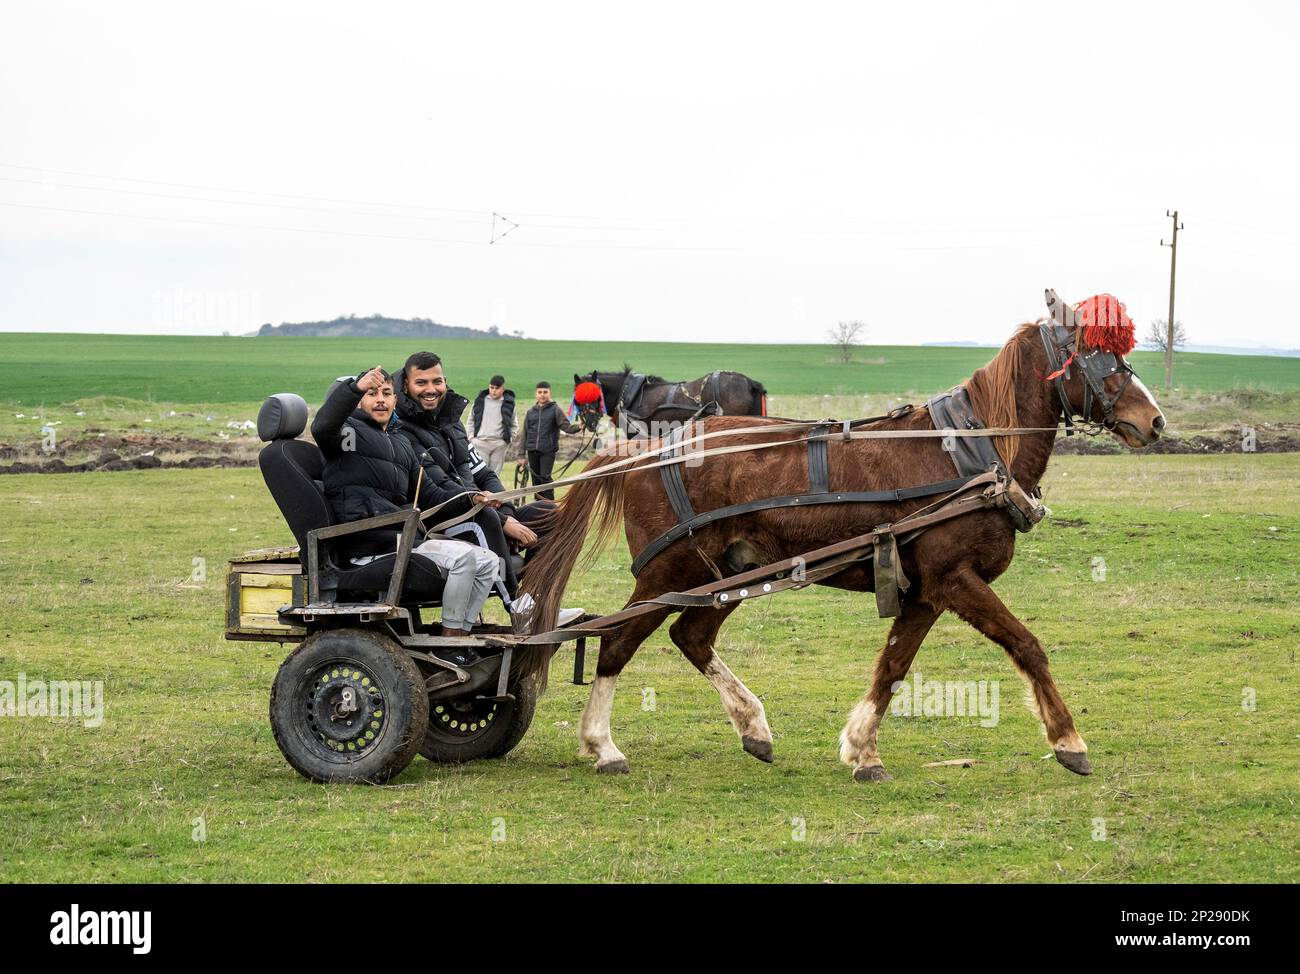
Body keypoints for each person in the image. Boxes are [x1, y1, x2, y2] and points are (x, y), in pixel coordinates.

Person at [391, 352, 581, 629]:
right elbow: (440, 490)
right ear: (406, 386)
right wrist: (502, 521)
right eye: (421, 383)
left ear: (445, 382)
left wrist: (506, 511)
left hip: (479, 509)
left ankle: (539, 601)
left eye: (437, 381)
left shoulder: (451, 423)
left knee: (550, 513)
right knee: (486, 520)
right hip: (439, 520)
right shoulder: (403, 433)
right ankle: (519, 610)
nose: (431, 389)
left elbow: (484, 473)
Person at [312, 366, 500, 639]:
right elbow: (322, 426)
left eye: (387, 393)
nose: (380, 400)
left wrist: (473, 498)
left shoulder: (401, 443)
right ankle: (451, 640)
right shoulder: (347, 434)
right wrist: (354, 388)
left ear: (395, 400)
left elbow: (432, 494)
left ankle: (462, 633)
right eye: (371, 393)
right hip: (369, 542)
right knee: (465, 559)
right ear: (359, 400)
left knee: (488, 561)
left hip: (402, 538)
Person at [517, 381, 580, 501]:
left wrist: (579, 427)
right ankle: (538, 506)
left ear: (550, 393)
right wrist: (521, 454)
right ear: (536, 394)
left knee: (545, 479)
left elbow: (566, 427)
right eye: (540, 392)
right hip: (532, 451)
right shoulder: (531, 412)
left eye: (545, 392)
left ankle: (550, 507)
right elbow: (524, 434)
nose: (542, 395)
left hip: (548, 451)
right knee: (535, 481)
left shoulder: (555, 409)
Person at [470, 375, 515, 476]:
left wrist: (509, 439)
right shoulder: (480, 401)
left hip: (499, 444)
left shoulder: (509, 403)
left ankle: (493, 492)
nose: (494, 391)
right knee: (480, 474)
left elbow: (514, 424)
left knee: (494, 475)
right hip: (480, 443)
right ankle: (479, 492)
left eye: (497, 388)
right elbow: (471, 420)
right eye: (492, 387)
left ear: (503, 389)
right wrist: (471, 438)